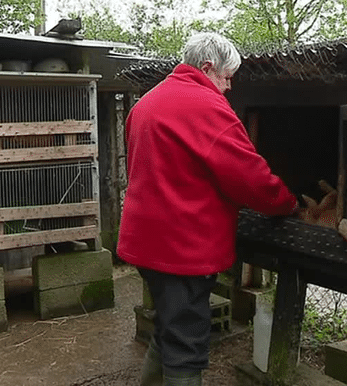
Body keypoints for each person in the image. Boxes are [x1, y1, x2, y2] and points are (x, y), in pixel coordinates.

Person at [117, 32, 300, 386]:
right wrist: (287, 203)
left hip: (144, 243)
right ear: (207, 67)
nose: (229, 88)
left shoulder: (147, 103)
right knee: (187, 347)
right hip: (182, 249)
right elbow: (248, 176)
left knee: (169, 329)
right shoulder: (206, 106)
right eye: (227, 77)